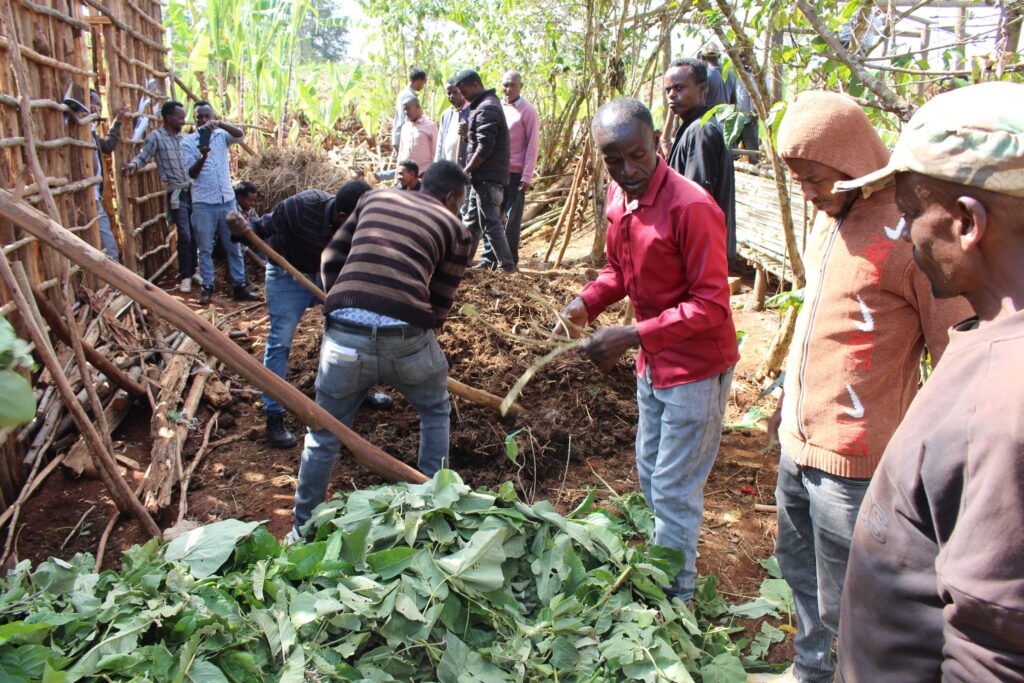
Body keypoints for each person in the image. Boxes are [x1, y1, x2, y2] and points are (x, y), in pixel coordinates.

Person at [747, 91, 971, 683]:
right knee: (798, 571)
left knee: (852, 596)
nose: (809, 194)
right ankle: (809, 670)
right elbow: (822, 325)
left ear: (853, 162)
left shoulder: (910, 236)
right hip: (800, 444)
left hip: (855, 463)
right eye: (798, 180)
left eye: (816, 179)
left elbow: (955, 352)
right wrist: (786, 403)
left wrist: (936, 457)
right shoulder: (831, 222)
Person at [832, 81, 1024, 682]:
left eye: (912, 214)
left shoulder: (1004, 405)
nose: (908, 235)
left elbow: (992, 653)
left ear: (967, 222)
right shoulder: (990, 337)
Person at [553, 99, 738, 602]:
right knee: (650, 473)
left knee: (675, 489)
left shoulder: (692, 207)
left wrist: (632, 334)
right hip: (653, 364)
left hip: (696, 370)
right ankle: (664, 564)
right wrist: (583, 304)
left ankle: (676, 598)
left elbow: (712, 305)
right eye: (615, 161)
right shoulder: (618, 198)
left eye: (637, 156)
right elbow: (619, 271)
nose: (628, 171)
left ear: (657, 142)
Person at [289, 161, 472, 540]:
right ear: (452, 197)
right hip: (406, 339)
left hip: (343, 338)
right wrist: (422, 327)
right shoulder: (456, 228)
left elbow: (330, 258)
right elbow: (441, 300)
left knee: (323, 433)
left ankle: (300, 532)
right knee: (435, 410)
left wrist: (342, 301)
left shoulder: (374, 197)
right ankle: (430, 517)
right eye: (458, 203)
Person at [225, 181, 395, 448]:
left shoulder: (363, 224)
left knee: (351, 332)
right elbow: (255, 232)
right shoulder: (301, 208)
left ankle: (358, 392)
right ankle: (274, 413)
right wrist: (238, 228)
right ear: (342, 217)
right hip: (288, 275)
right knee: (280, 341)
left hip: (331, 275)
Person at [664, 58, 737, 265]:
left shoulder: (701, 131)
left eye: (679, 88)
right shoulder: (692, 128)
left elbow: (695, 201)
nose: (671, 95)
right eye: (668, 90)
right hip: (699, 252)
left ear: (702, 88)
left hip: (700, 254)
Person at [184, 101, 258, 304]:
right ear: (195, 118)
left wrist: (221, 124)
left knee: (233, 245)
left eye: (207, 116)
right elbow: (191, 173)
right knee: (205, 248)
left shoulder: (221, 136)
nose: (203, 120)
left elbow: (240, 135)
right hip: (203, 203)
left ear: (213, 116)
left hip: (226, 200)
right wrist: (203, 156)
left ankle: (239, 285)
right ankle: (208, 286)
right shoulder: (188, 142)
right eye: (199, 116)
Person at [123, 100, 199, 293]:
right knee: (184, 234)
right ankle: (185, 275)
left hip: (192, 190)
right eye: (180, 118)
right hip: (177, 193)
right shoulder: (156, 137)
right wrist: (132, 166)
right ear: (168, 118)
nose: (183, 121)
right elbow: (143, 156)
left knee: (194, 232)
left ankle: (193, 270)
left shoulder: (183, 138)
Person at [454, 69, 516, 273]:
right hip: (481, 178)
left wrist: (465, 171)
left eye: (464, 92)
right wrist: (466, 136)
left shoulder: (487, 107)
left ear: (475, 85)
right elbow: (481, 142)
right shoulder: (483, 106)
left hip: (487, 178)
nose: (463, 97)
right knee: (472, 222)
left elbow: (485, 147)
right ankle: (462, 265)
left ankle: (507, 267)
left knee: (491, 223)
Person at [477, 70, 539, 268]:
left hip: (515, 174)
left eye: (512, 85)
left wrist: (527, 175)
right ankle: (489, 258)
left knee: (512, 220)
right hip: (496, 172)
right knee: (492, 218)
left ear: (520, 86)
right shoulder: (497, 107)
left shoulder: (528, 111)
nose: (508, 89)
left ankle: (510, 260)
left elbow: (532, 145)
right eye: (505, 84)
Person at [66, 91, 129, 261]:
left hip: (95, 196)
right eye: (93, 103)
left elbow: (108, 146)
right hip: (86, 198)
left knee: (105, 245)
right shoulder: (75, 131)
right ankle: (114, 284)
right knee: (107, 247)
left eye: (99, 104)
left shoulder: (91, 132)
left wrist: (117, 122)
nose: (98, 108)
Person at [396, 97, 436, 178]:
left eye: (408, 109)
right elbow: (401, 152)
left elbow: (435, 153)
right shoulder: (405, 127)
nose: (406, 112)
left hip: (424, 174)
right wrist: (397, 175)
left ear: (417, 107)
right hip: (406, 175)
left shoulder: (431, 126)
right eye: (404, 110)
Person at [435, 79, 470, 167]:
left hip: (464, 167)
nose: (451, 96)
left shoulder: (471, 111)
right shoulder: (445, 114)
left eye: (455, 92)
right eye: (449, 93)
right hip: (446, 168)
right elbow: (440, 142)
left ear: (462, 92)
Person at [233, 181, 267, 270]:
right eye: (250, 200)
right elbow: (238, 244)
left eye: (254, 200)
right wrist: (258, 260)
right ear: (239, 198)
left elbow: (258, 226)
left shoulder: (249, 209)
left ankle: (259, 268)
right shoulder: (232, 211)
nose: (253, 204)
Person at [393, 67, 427, 153]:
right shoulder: (409, 96)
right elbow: (409, 119)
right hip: (404, 137)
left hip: (399, 136)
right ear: (418, 80)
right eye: (423, 83)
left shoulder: (403, 93)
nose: (423, 86)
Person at [732, 54, 759, 164]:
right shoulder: (734, 73)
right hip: (736, 118)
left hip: (749, 119)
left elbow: (756, 95)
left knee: (752, 153)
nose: (743, 59)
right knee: (731, 151)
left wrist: (755, 113)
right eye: (740, 56)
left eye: (745, 56)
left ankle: (754, 171)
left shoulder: (755, 74)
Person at [699, 44, 735, 109]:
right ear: (719, 56)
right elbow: (734, 100)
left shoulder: (705, 75)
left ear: (703, 57)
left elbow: (701, 101)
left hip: (710, 117)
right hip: (727, 115)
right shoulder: (730, 74)